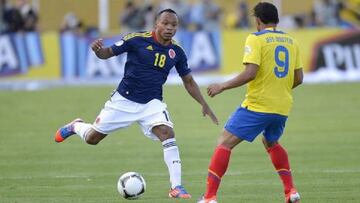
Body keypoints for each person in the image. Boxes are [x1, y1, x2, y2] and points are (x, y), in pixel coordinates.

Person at [55, 9, 218, 199]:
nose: (169, 28)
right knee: (92, 138)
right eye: (165, 23)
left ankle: (176, 187)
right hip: (123, 100)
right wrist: (99, 51)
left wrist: (203, 104)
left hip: (152, 104)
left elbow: (188, 81)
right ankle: (76, 126)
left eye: (173, 25)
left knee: (167, 133)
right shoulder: (136, 39)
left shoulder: (177, 52)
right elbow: (107, 53)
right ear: (156, 24)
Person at [197, 2, 303, 203]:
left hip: (258, 105)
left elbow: (250, 73)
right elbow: (298, 79)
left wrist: (222, 86)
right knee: (270, 141)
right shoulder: (292, 41)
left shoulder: (255, 39)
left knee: (224, 143)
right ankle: (291, 191)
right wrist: (277, 90)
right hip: (282, 106)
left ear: (258, 20)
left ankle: (209, 197)